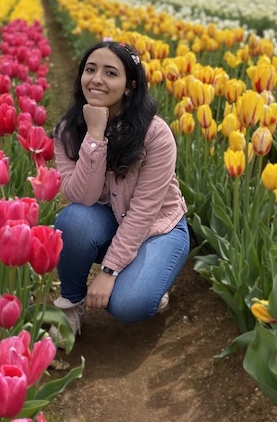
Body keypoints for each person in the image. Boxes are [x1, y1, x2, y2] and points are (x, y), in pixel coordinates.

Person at [50, 40, 190, 344]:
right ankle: (71, 304)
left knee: (128, 304)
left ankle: (149, 279)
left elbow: (142, 213)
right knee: (73, 221)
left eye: (111, 73)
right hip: (109, 220)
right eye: (90, 70)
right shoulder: (67, 131)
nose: (97, 79)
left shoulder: (155, 134)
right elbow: (83, 198)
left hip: (157, 228)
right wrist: (95, 136)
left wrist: (109, 272)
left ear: (130, 86)